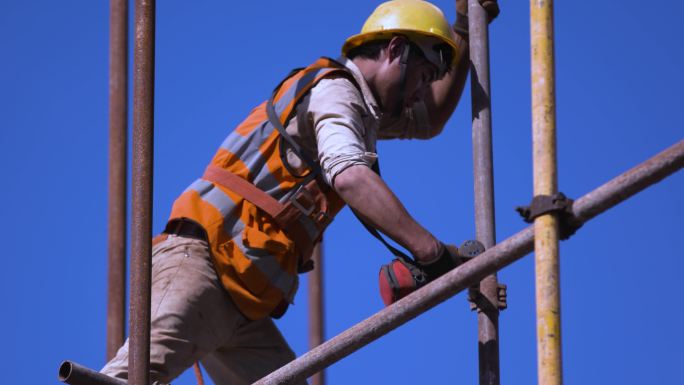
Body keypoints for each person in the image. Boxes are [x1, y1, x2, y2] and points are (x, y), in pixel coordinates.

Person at [101, 0, 499, 383]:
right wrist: (432, 252)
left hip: (241, 297)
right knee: (132, 377)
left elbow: (429, 119)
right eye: (424, 76)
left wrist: (463, 30)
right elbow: (349, 175)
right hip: (203, 260)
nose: (421, 90)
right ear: (396, 50)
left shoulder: (365, 111)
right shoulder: (336, 92)